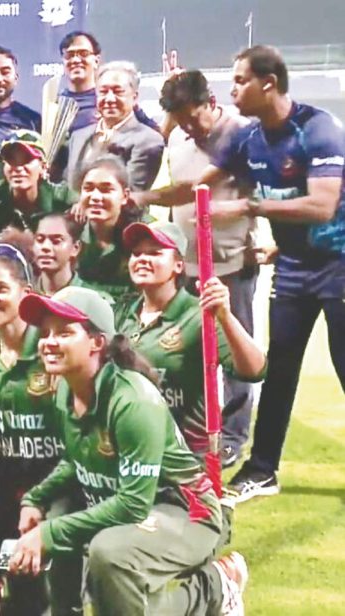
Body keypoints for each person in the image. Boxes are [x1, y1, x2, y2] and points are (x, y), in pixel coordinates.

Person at [146, 46, 345, 502]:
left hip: (338, 267)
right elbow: (196, 187)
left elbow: (322, 205)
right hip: (293, 271)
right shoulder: (249, 140)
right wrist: (138, 201)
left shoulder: (318, 129)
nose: (231, 89)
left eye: (239, 81)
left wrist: (250, 206)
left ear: (268, 83)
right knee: (279, 370)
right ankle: (262, 470)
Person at [11, 286, 248, 616]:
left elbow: (133, 505)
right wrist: (34, 498)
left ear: (97, 343)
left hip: (189, 511)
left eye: (64, 332)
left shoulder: (133, 401)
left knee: (108, 553)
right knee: (74, 532)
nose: (49, 341)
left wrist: (48, 533)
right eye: (46, 332)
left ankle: (215, 588)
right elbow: (77, 459)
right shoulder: (66, 386)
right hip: (138, 508)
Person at [0, 234, 75, 614]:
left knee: (45, 585)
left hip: (64, 479)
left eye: (0, 289)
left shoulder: (51, 345)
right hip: (11, 478)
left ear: (25, 291)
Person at [153, 70, 260, 466]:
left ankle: (232, 436)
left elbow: (258, 193)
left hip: (231, 265)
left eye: (193, 117)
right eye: (179, 119)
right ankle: (195, 430)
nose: (188, 127)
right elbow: (178, 195)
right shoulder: (179, 137)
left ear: (211, 102)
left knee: (235, 354)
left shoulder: (242, 134)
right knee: (189, 355)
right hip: (188, 268)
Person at [116, 221, 267, 457]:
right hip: (129, 449)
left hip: (182, 457)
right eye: (137, 253)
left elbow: (254, 370)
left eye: (155, 253)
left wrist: (225, 316)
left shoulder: (199, 316)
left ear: (178, 265)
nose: (142, 259)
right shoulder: (121, 313)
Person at [65, 61, 165, 192]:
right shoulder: (78, 136)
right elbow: (67, 187)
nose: (110, 98)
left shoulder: (148, 140)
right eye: (103, 91)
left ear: (135, 98)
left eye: (118, 92)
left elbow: (132, 194)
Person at [74, 156, 148, 299]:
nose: (95, 196)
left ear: (125, 196)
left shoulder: (146, 235)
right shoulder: (69, 232)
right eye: (88, 188)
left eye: (105, 190)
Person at [0, 130, 76, 237]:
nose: (18, 168)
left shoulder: (62, 200)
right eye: (11, 160)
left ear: (43, 167)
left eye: (27, 160)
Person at [33, 212, 94, 297]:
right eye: (40, 240)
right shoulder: (23, 295)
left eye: (56, 241)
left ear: (75, 248)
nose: (45, 247)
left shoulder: (93, 300)